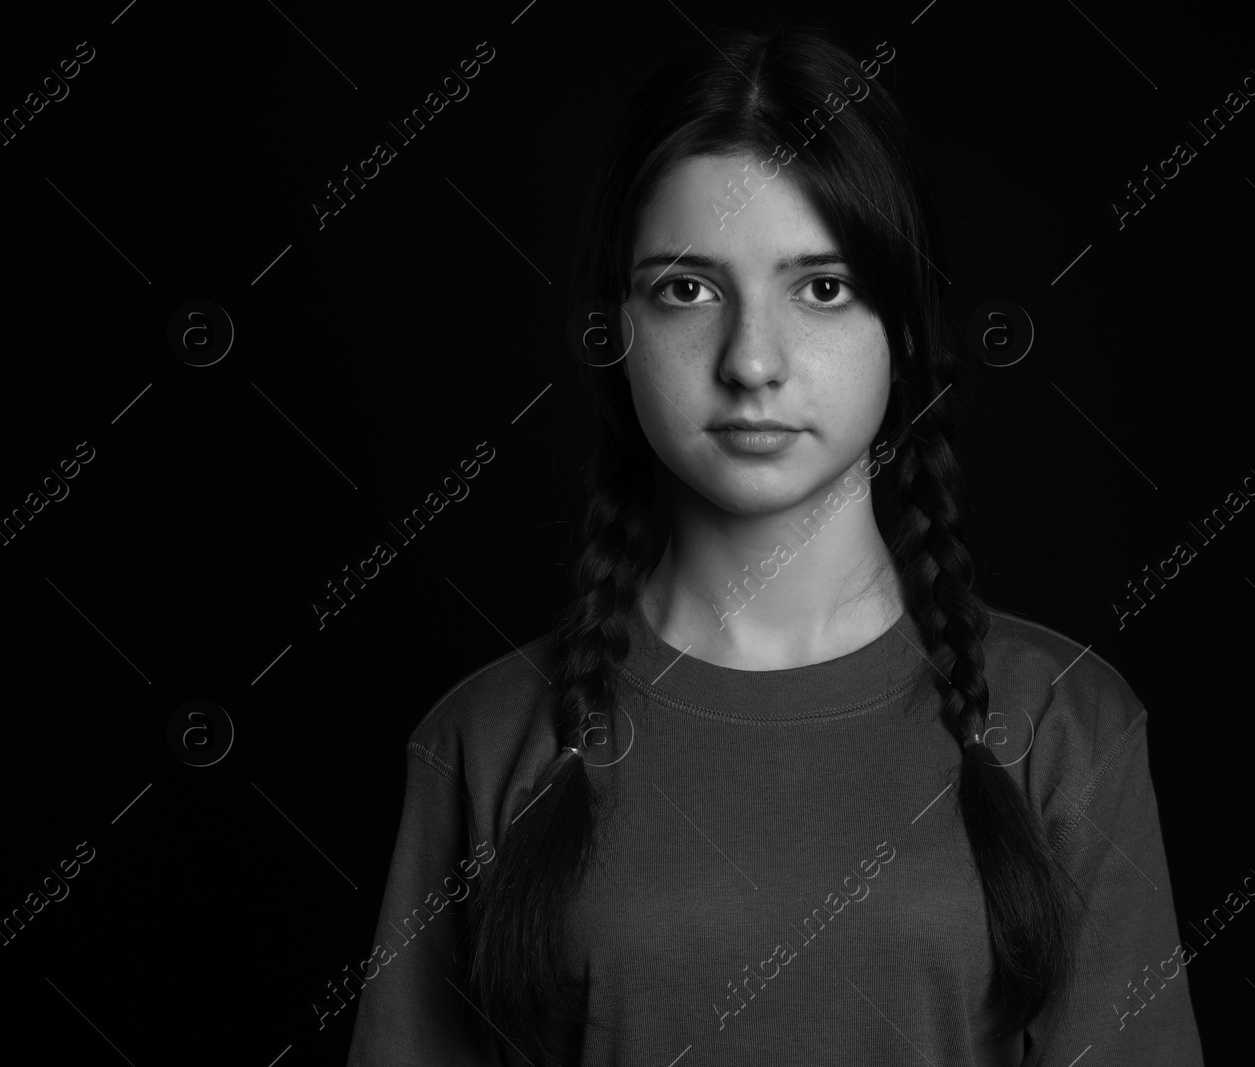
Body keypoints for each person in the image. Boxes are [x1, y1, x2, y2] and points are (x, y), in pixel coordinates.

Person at [344, 24, 1202, 1066]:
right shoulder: (482, 739)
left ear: (906, 327)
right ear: (617, 329)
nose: (752, 360)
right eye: (687, 289)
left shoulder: (1065, 722)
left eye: (822, 287)